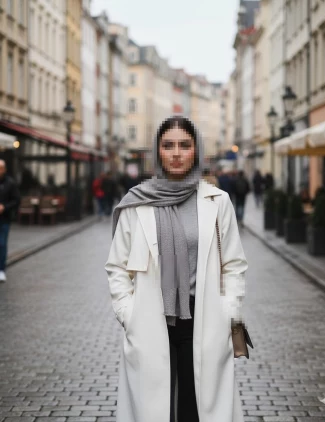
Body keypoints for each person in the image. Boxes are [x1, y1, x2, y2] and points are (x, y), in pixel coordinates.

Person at [105, 116, 247, 422]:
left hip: (204, 318)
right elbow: (117, 267)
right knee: (155, 408)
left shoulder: (217, 201)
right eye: (168, 145)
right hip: (149, 316)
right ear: (158, 151)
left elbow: (234, 264)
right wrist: (128, 314)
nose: (177, 153)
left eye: (185, 145)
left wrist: (229, 311)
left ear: (196, 150)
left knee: (196, 408)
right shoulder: (137, 203)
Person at [0, 160, 20, 282]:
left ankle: (1, 269)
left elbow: (16, 200)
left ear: (4, 169)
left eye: (1, 168)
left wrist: (4, 207)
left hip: (4, 219)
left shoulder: (10, 183)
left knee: (2, 244)